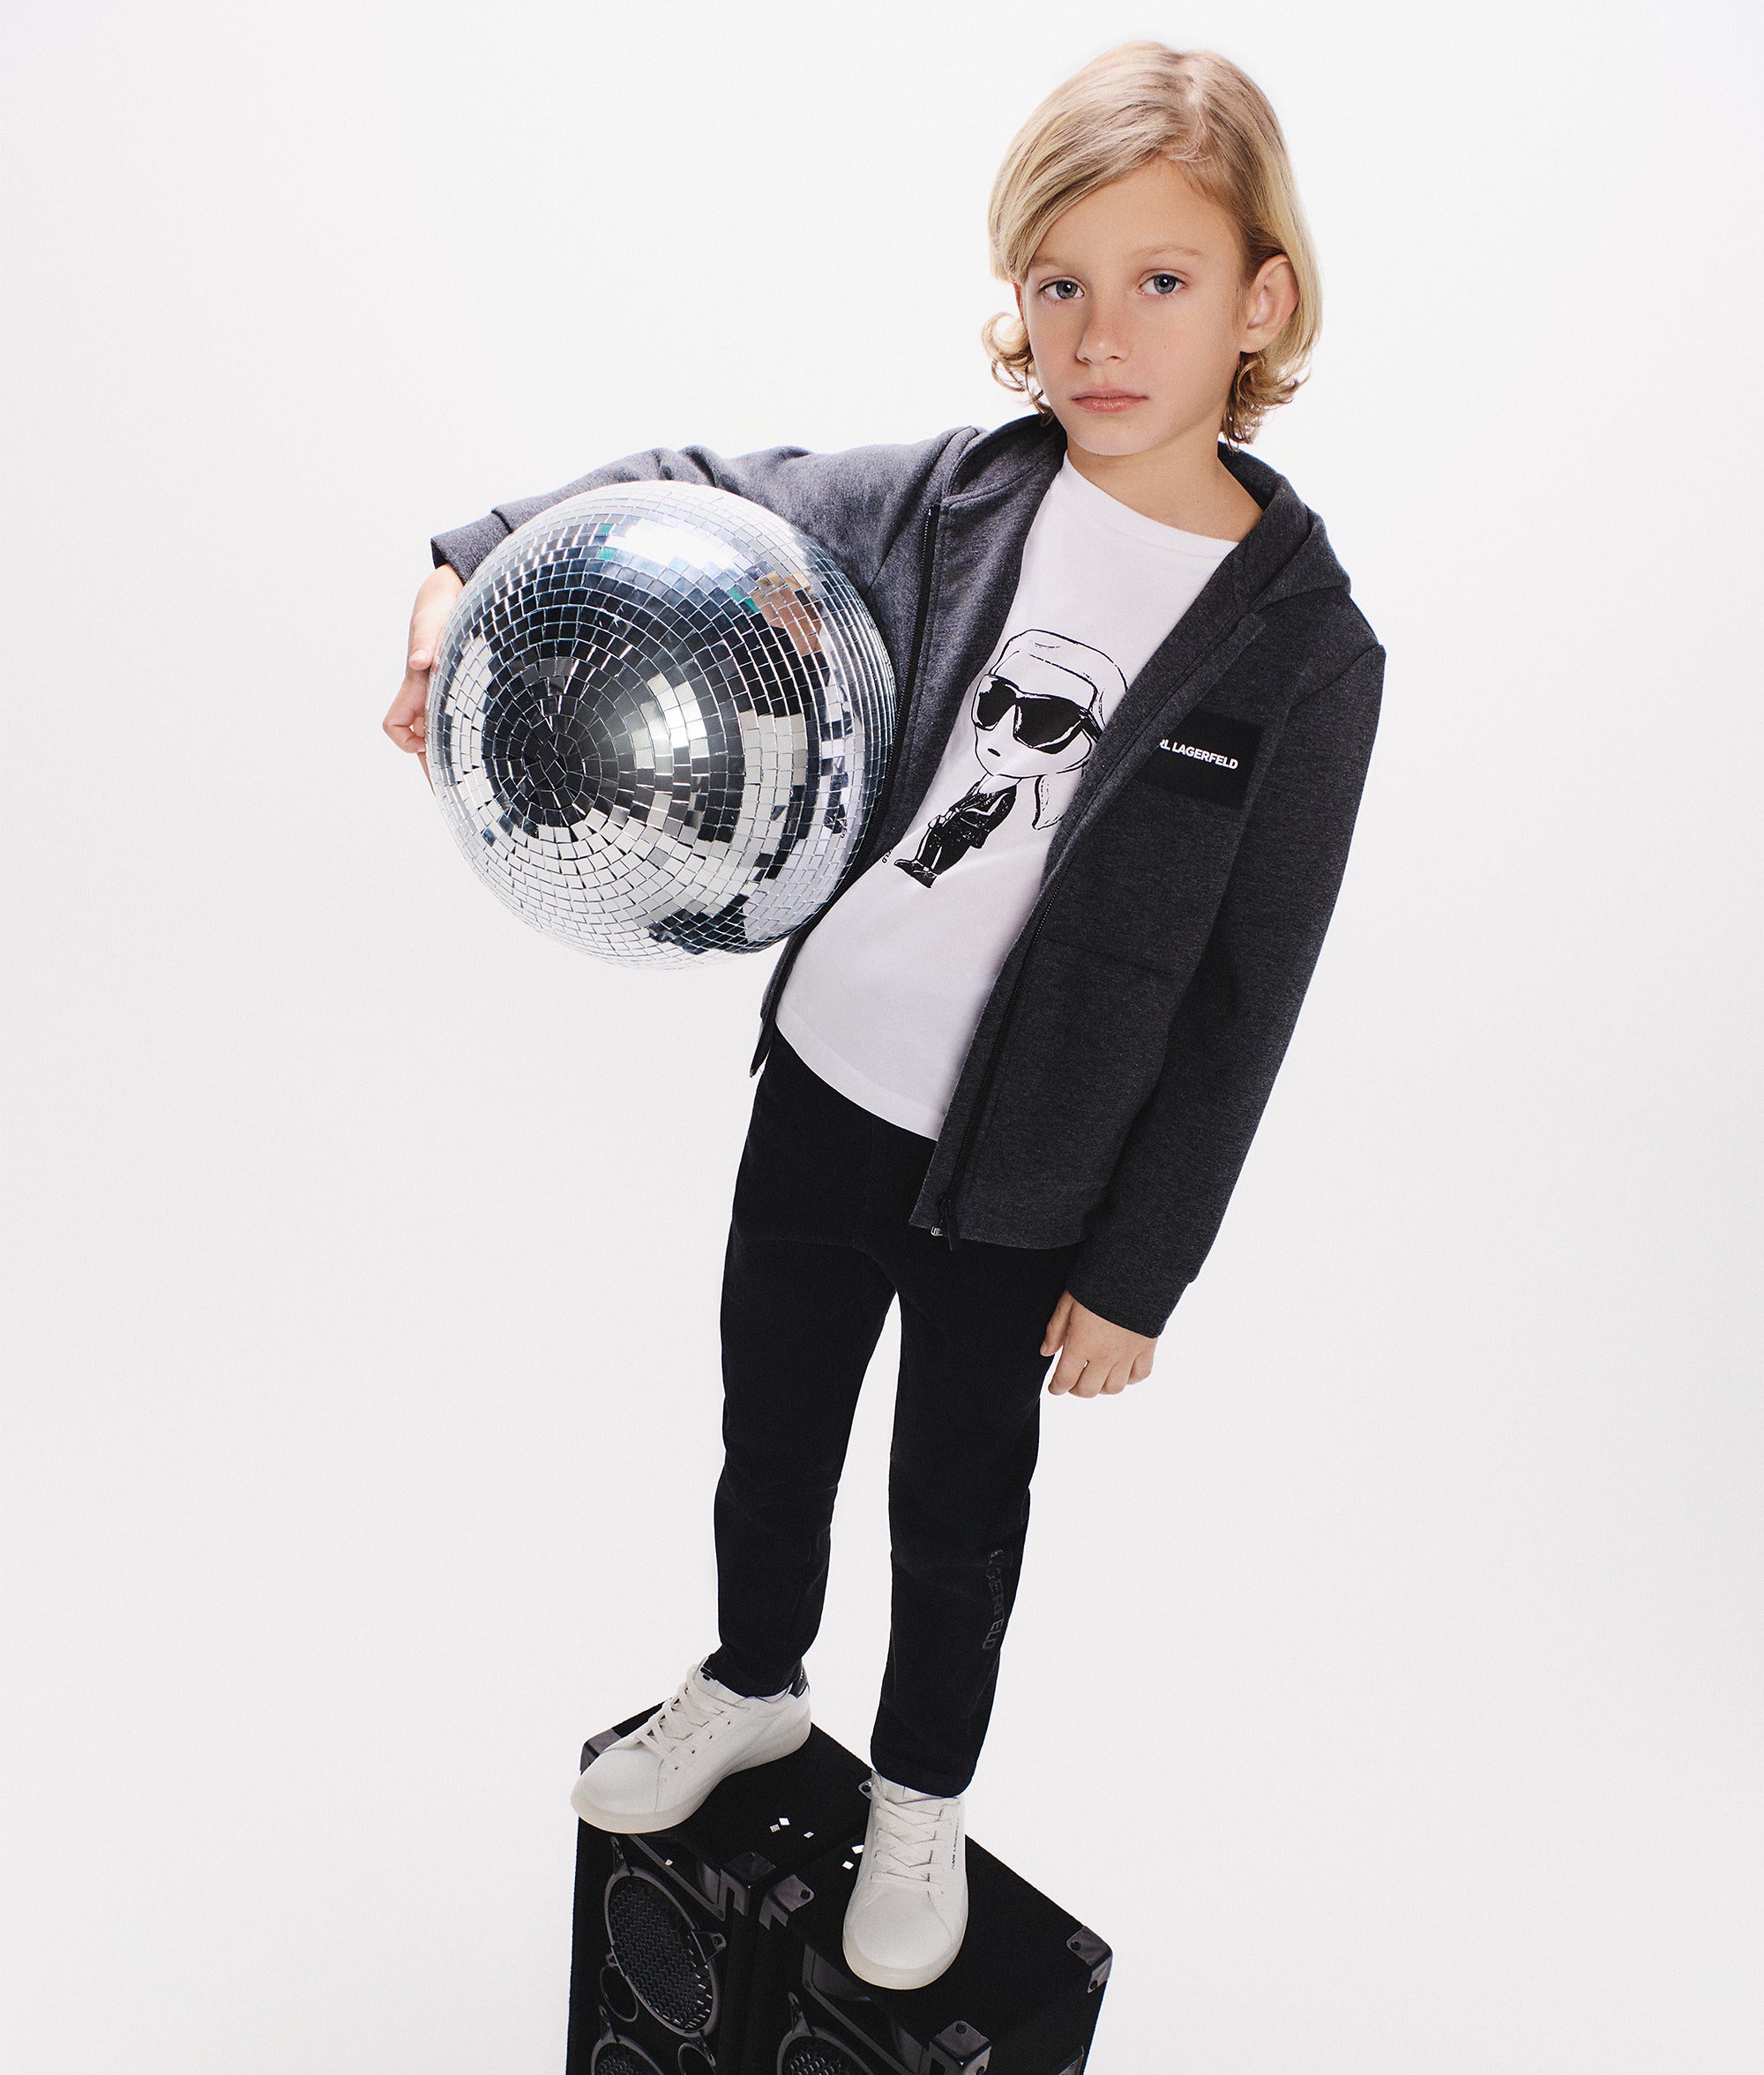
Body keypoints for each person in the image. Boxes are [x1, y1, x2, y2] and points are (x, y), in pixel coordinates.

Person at [383, 41, 1384, 1995]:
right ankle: (755, 1679)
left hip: (1027, 1177)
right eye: (1059, 282)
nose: (1100, 333)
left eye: (1160, 280)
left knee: (954, 1511)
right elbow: (697, 494)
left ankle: (918, 1794)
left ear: (1261, 300)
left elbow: (1248, 999)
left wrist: (1141, 1274)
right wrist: (458, 569)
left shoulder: (1307, 650)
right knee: (770, 1427)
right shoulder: (953, 496)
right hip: (827, 1084)